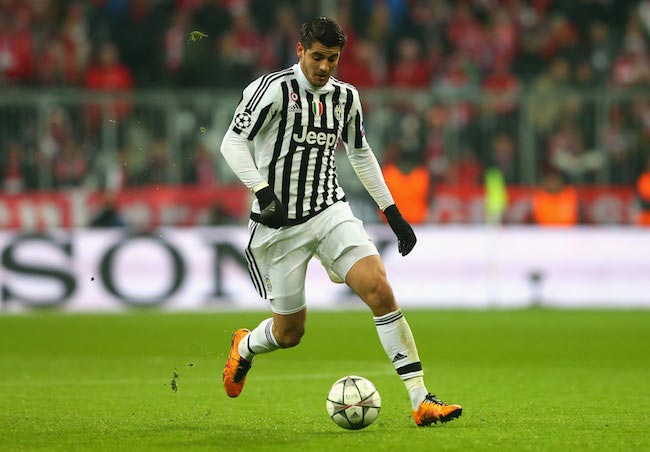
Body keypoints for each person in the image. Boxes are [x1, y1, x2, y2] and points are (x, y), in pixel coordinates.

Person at [219, 16, 462, 427]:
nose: (325, 67)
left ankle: (421, 400)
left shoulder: (346, 98)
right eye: (317, 57)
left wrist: (392, 212)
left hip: (330, 210)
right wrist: (262, 191)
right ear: (300, 51)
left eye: (333, 58)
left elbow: (360, 153)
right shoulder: (274, 89)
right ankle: (244, 347)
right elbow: (232, 142)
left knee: (380, 290)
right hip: (279, 227)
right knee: (289, 334)